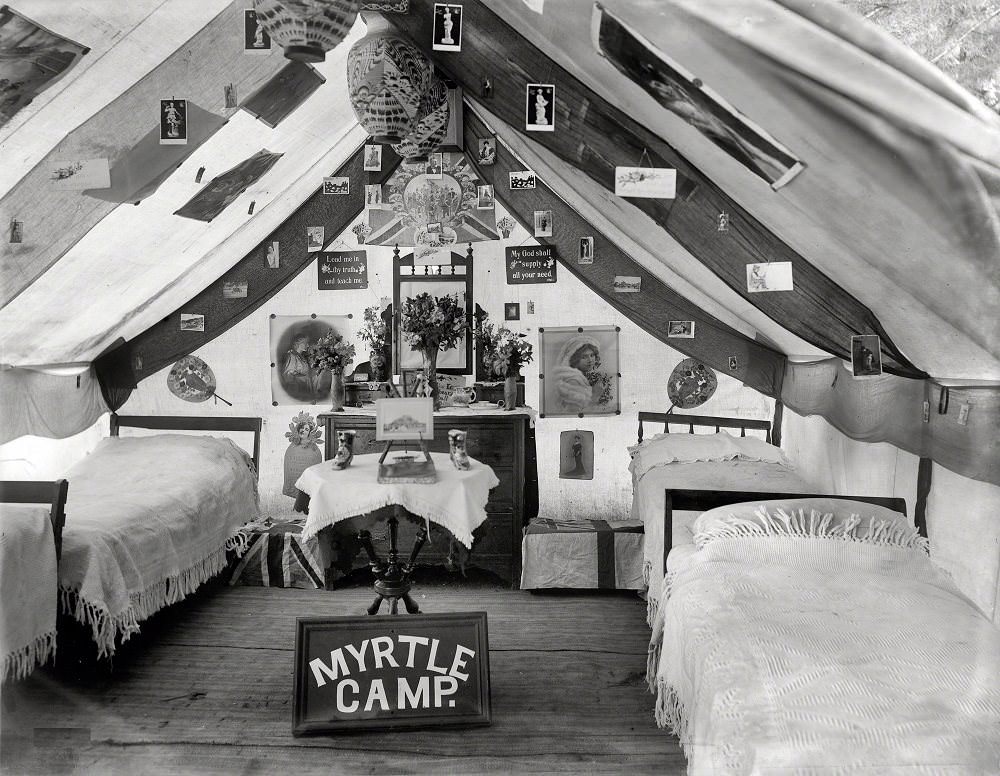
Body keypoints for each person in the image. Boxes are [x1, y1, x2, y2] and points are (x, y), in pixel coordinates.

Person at [552, 335, 611, 414]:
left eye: (592, 355)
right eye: (584, 357)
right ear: (574, 359)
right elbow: (573, 415)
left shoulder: (584, 376)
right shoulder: (573, 381)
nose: (590, 360)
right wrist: (595, 395)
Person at [282, 334, 318, 400]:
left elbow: (307, 371)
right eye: (306, 343)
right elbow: (288, 374)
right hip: (299, 389)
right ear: (299, 344)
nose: (308, 345)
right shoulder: (292, 356)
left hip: (307, 385)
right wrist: (304, 378)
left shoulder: (302, 357)